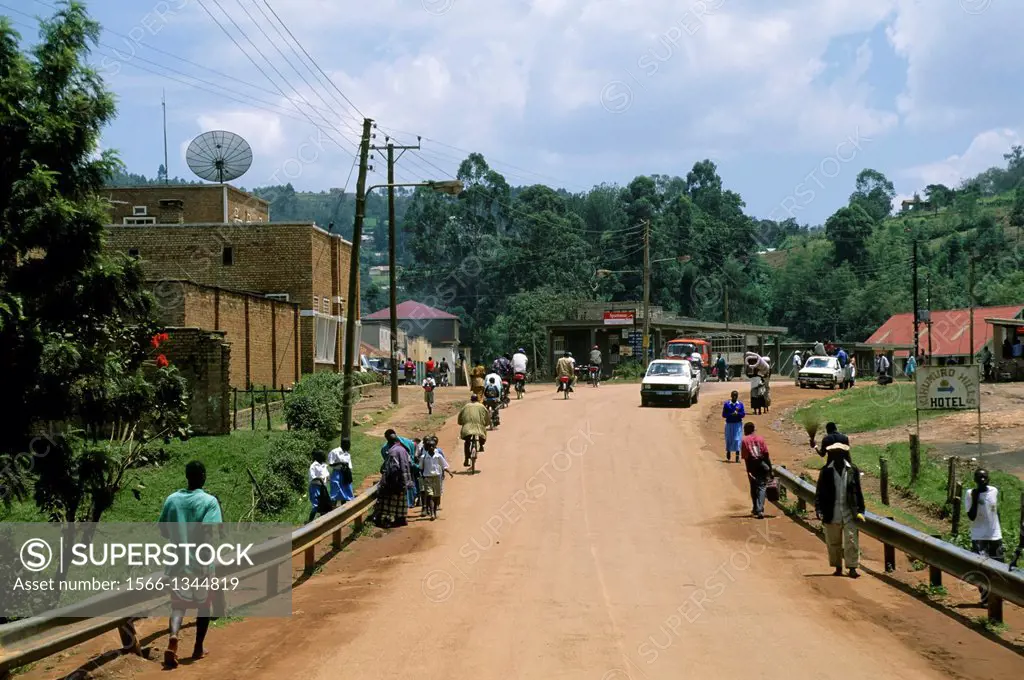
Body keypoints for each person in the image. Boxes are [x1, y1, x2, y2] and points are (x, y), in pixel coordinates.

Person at [158, 461, 222, 668]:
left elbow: (164, 531)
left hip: (177, 563)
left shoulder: (172, 500)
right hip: (201, 564)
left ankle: (174, 636)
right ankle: (198, 648)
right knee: (204, 606)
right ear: (203, 475)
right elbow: (210, 533)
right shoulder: (209, 502)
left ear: (186, 475)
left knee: (178, 605)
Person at [814, 450, 865, 578]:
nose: (837, 457)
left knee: (851, 540)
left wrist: (860, 510)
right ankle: (837, 567)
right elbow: (819, 491)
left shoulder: (852, 470)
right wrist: (819, 509)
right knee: (833, 542)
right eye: (834, 454)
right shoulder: (826, 471)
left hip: (849, 512)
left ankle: (852, 567)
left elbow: (858, 491)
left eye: (839, 454)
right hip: (832, 512)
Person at [965, 468, 1003, 603]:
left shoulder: (994, 491)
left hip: (995, 536)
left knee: (999, 568)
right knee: (981, 569)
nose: (982, 480)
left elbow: (995, 511)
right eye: (979, 477)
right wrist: (975, 498)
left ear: (988, 479)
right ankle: (985, 598)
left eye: (984, 477)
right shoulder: (970, 493)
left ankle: (997, 596)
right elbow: (971, 516)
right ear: (974, 480)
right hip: (979, 537)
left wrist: (999, 530)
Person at [375, 432, 413, 528]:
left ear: (388, 441)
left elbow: (392, 468)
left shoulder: (392, 451)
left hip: (395, 480)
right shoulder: (404, 450)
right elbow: (409, 463)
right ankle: (401, 519)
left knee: (389, 502)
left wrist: (388, 480)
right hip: (405, 479)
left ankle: (387, 520)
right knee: (401, 500)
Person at [740, 422, 773, 519]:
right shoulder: (760, 439)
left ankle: (757, 509)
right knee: (762, 487)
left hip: (752, 464)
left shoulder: (744, 441)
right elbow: (766, 454)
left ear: (746, 430)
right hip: (762, 464)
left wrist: (748, 470)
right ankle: (759, 509)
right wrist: (770, 469)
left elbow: (746, 457)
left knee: (754, 487)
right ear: (753, 429)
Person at [419, 435, 454, 519]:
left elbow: (444, 465)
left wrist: (449, 472)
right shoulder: (423, 457)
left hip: (437, 477)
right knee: (430, 495)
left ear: (435, 447)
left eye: (433, 446)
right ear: (426, 447)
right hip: (427, 478)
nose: (431, 447)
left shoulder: (438, 456)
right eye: (429, 446)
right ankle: (432, 513)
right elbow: (420, 468)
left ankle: (434, 511)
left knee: (436, 496)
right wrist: (422, 477)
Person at [458, 394, 490, 465]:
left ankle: (466, 459)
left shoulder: (466, 406)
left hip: (467, 429)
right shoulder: (482, 406)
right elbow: (487, 416)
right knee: (482, 436)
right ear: (477, 400)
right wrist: (487, 423)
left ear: (471, 399)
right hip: (479, 428)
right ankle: (481, 445)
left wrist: (461, 423)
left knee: (467, 442)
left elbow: (460, 417)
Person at [307, 449, 332, 523]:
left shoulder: (324, 465)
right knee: (316, 505)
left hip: (323, 487)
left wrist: (328, 479)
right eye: (322, 455)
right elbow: (313, 478)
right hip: (315, 487)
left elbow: (327, 475)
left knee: (324, 504)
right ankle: (309, 521)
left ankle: (322, 522)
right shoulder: (313, 466)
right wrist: (320, 479)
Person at [327, 437, 355, 504]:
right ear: (344, 444)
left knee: (346, 491)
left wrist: (349, 477)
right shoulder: (335, 452)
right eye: (348, 444)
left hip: (345, 474)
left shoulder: (347, 454)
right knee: (336, 491)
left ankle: (344, 509)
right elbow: (331, 464)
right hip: (337, 474)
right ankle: (333, 510)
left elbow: (349, 467)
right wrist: (341, 463)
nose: (349, 446)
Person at [722, 391, 745, 462]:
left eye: (736, 396)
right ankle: (728, 451)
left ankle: (737, 455)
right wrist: (730, 415)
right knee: (729, 438)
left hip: (737, 424)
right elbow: (723, 415)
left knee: (737, 439)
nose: (734, 397)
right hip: (729, 424)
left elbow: (743, 414)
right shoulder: (727, 404)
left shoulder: (740, 405)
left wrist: (737, 414)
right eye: (733, 395)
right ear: (731, 396)